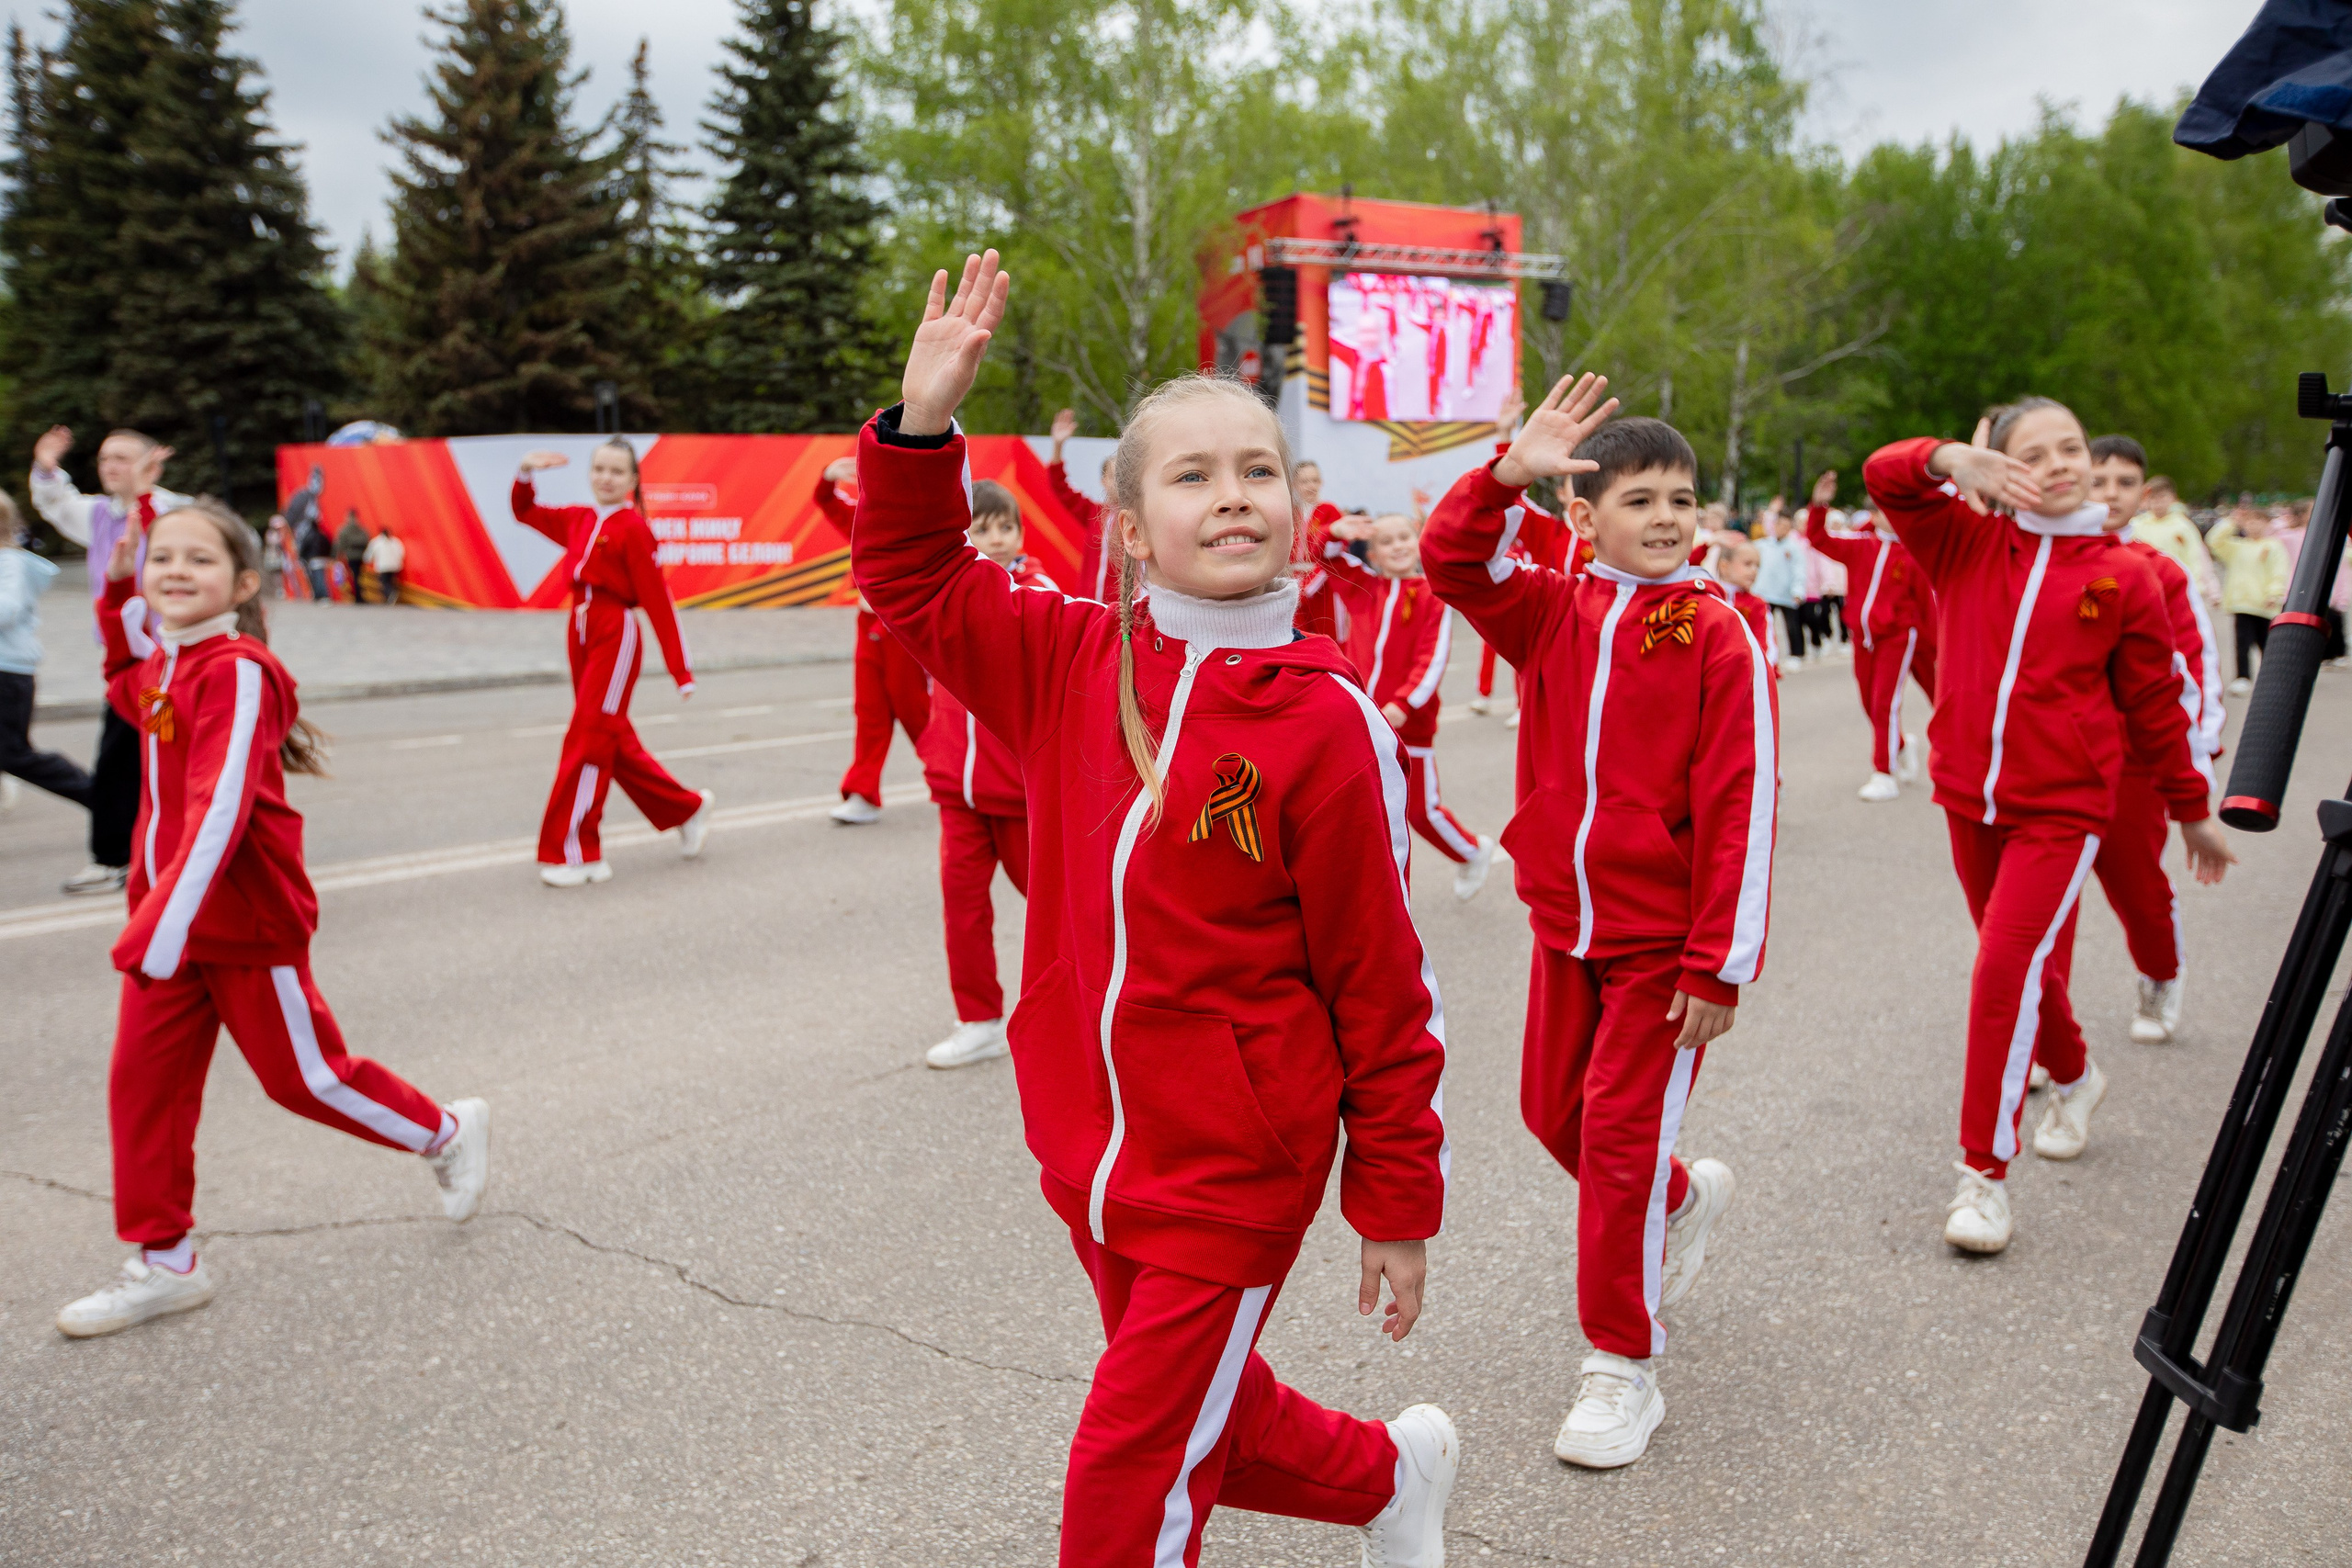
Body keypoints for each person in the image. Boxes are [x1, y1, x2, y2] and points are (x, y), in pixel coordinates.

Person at [856, 252, 1456, 1567]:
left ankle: (1381, 1482)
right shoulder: (1065, 653)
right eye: (1191, 475)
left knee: (1128, 1472)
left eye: (1256, 470)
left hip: (1238, 1163)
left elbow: (1381, 980)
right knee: (1205, 1414)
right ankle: (1387, 1479)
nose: (1231, 494)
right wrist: (920, 428)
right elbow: (909, 580)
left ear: (1300, 504)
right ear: (1129, 526)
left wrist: (1396, 1192)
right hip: (1086, 1143)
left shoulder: (1326, 719)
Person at [1420, 377, 1775, 1471]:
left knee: (1616, 1137)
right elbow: (1451, 561)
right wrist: (1500, 476)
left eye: (1682, 498)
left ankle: (1622, 1364)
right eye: (1640, 499)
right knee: (1550, 1118)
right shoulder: (1551, 610)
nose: (1668, 517)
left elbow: (1740, 806)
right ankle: (1678, 1200)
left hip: (1663, 948)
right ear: (1584, 517)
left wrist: (1718, 967)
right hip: (1563, 924)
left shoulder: (1718, 632)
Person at [55, 499, 490, 1339]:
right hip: (172, 924)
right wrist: (115, 601)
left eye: (199, 560)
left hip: (242, 921)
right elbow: (125, 682)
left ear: (243, 582)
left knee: (306, 1078)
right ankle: (167, 1261)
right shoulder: (169, 664)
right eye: (161, 558)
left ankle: (443, 1130)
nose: (176, 571)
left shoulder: (237, 670)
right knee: (141, 1087)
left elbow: (220, 806)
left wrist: (158, 928)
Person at [1866, 400, 2233, 1258]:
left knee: (2001, 969)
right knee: (2023, 967)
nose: (2063, 462)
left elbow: (2153, 706)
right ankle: (2076, 1074)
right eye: (2035, 452)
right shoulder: (1960, 540)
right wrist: (1954, 457)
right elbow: (1886, 473)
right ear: (2002, 468)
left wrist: (2192, 809)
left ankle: (1982, 1178)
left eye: (2071, 445)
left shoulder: (2126, 574)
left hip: (2064, 808)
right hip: (1967, 795)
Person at [513, 441, 714, 886]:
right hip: (580, 628)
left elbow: (659, 601)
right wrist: (526, 473)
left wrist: (681, 669)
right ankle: (686, 808)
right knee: (608, 737)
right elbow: (525, 512)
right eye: (599, 468)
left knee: (587, 739)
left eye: (616, 471)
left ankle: (581, 853)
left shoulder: (634, 529)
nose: (606, 477)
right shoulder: (577, 518)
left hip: (615, 633)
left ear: (632, 480)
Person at [2086, 435, 2225, 1046]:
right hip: (2058, 760)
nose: (2109, 493)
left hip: (2135, 763)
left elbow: (2195, 671)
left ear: (2143, 493)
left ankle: (2160, 971)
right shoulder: (2042, 561)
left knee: (2138, 889)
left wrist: (2194, 773)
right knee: (2037, 912)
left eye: (2123, 482)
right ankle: (2040, 1035)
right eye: (2098, 479)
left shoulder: (2160, 571)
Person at [915, 479, 1057, 1070]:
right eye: (983, 529)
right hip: (957, 787)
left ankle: (1090, 1001)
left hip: (1018, 791)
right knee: (963, 908)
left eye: (1007, 528)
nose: (997, 540)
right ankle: (978, 1020)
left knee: (1059, 908)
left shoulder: (1038, 590)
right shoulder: (942, 592)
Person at [28, 423, 189, 896]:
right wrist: (46, 466)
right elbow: (56, 503)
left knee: (147, 755)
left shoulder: (171, 509)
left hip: (168, 664)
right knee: (134, 758)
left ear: (149, 463)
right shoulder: (99, 514)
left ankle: (124, 855)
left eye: (122, 457)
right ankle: (127, 853)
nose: (111, 467)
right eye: (103, 459)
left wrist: (145, 495)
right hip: (129, 664)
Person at [1318, 510, 1498, 899]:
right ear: (1374, 554)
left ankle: (1471, 851)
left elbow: (1432, 658)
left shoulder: (1432, 595)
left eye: (1404, 537)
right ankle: (1375, 892)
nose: (1398, 546)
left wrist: (1403, 704)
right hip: (1361, 719)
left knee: (1421, 810)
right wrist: (1334, 530)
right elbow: (1320, 553)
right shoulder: (1362, 585)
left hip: (1407, 724)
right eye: (1386, 541)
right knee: (1364, 807)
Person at [1802, 471, 1937, 802]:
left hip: (1899, 635)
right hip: (1863, 638)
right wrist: (1819, 504)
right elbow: (1819, 539)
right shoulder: (1859, 545)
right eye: (1883, 510)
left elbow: (1928, 605)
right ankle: (1901, 745)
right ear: (1874, 514)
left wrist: (1936, 646)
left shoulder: (1915, 553)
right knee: (1868, 702)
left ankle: (1883, 772)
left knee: (1884, 703)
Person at [812, 456, 931, 824]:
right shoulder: (859, 517)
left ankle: (954, 774)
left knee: (917, 713)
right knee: (869, 713)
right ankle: (862, 793)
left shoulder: (918, 524)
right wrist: (827, 478)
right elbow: (826, 501)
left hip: (904, 632)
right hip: (868, 630)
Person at [0, 492, 95, 814]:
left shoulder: (10, 563)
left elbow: (7, 610)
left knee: (13, 753)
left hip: (7, 672)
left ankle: (98, 795)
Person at [2206, 503, 2289, 694]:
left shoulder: (2273, 546)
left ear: (2267, 523)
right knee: (2242, 642)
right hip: (2242, 603)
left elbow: (2279, 572)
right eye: (2250, 522)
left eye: (2258, 521)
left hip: (2264, 604)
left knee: (2266, 642)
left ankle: (2274, 676)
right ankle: (2243, 676)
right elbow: (2213, 540)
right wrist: (2231, 521)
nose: (2254, 526)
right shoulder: (2237, 547)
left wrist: (2274, 593)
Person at [1044, 406, 1120, 602]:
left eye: (1124, 476)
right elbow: (1060, 486)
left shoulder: (1139, 518)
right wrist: (1058, 446)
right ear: (1103, 480)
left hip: (1123, 610)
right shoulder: (1093, 512)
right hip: (1090, 605)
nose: (1119, 482)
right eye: (1113, 476)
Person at [2133, 477, 2220, 604]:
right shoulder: (2137, 526)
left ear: (2172, 498)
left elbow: (2196, 557)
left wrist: (2202, 588)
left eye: (2162, 497)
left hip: (2175, 589)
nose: (2158, 502)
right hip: (2145, 589)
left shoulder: (2183, 527)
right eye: (2153, 498)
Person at [1753, 504, 1810, 667]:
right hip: (1765, 591)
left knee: (1792, 625)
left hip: (1786, 593)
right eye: (1779, 525)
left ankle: (1797, 654)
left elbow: (1799, 570)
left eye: (1786, 526)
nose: (1781, 529)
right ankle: (1764, 653)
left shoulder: (1794, 547)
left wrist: (1798, 590)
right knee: (1764, 624)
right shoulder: (1763, 545)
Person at [364, 522, 406, 605]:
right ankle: (390, 597)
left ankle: (390, 594)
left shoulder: (376, 542)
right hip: (395, 566)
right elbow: (402, 553)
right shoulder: (395, 541)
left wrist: (368, 560)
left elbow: (369, 555)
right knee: (391, 581)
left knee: (384, 582)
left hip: (383, 566)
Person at [334, 508, 370, 604]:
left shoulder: (344, 529)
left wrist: (338, 555)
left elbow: (340, 544)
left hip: (350, 556)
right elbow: (366, 540)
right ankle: (359, 596)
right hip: (360, 556)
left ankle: (357, 596)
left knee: (354, 576)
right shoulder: (362, 528)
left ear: (348, 516)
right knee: (358, 575)